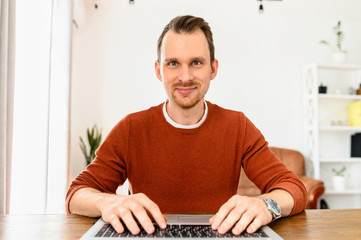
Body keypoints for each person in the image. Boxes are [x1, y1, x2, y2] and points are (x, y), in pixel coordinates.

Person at [66, 15, 307, 236]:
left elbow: (294, 189)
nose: (184, 76)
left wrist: (266, 204)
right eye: (173, 63)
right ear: (159, 71)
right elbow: (76, 194)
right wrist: (107, 202)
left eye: (196, 63)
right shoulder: (131, 128)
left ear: (213, 69)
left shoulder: (237, 126)